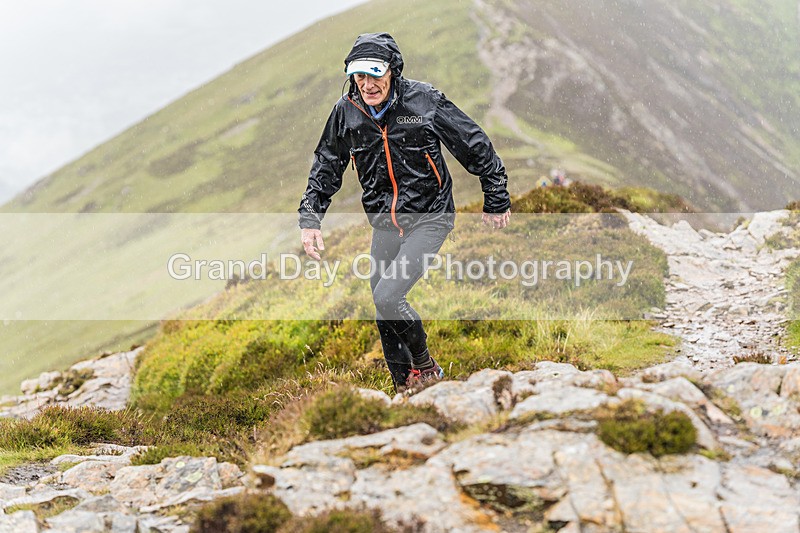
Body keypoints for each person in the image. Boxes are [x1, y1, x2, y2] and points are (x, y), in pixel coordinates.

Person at [298, 32, 511, 392]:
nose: (367, 84)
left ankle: (426, 368)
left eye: (374, 74)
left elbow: (473, 142)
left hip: (430, 217)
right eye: (359, 76)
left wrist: (496, 195)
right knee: (383, 307)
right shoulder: (346, 111)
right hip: (384, 223)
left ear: (393, 71)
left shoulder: (423, 101)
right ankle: (404, 387)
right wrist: (310, 218)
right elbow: (326, 164)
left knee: (388, 295)